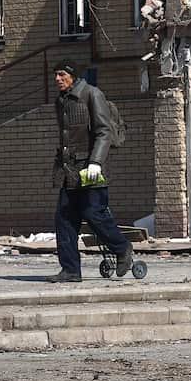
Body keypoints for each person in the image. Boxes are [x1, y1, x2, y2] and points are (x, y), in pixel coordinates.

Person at [48, 62, 133, 282]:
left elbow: (103, 132)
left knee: (94, 214)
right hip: (69, 171)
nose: (57, 79)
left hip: (91, 169)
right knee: (64, 219)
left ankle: (122, 249)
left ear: (73, 76)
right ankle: (70, 270)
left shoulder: (92, 94)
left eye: (61, 74)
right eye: (55, 75)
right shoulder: (62, 100)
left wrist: (95, 161)